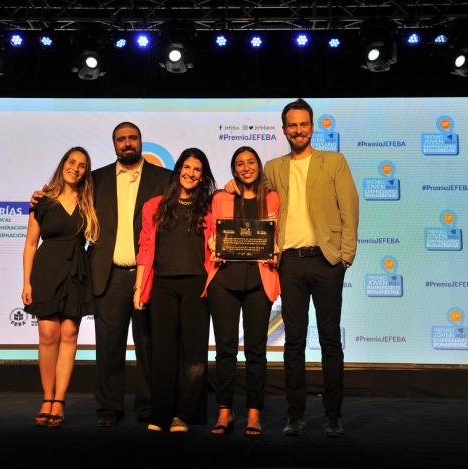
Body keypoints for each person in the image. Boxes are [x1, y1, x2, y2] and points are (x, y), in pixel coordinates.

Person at [226, 98, 359, 437]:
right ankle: (295, 415)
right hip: (289, 264)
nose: (298, 130)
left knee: (330, 340)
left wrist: (345, 257)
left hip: (327, 262)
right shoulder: (272, 167)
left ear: (312, 127)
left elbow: (350, 209)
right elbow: (254, 196)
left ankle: (333, 415)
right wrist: (233, 186)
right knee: (293, 342)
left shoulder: (335, 161)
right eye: (292, 125)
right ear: (284, 129)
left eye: (304, 124)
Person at [32, 122, 171, 427]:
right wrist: (38, 197)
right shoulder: (95, 180)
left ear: (141, 141)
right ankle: (109, 410)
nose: (127, 143)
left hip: (148, 276)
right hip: (109, 276)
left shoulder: (165, 179)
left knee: (148, 347)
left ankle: (147, 408)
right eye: (121, 139)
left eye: (132, 138)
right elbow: (63, 197)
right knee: (108, 348)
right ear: (114, 144)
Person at [133, 148, 216, 433]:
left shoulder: (209, 207)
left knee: (193, 354)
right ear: (178, 169)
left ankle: (184, 415)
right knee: (163, 352)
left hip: (197, 286)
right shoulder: (153, 206)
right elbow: (145, 248)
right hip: (162, 286)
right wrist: (138, 286)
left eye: (197, 169)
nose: (191, 173)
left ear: (202, 176)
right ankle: (160, 415)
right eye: (187, 167)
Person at [202, 146, 280, 437]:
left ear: (259, 166)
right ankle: (225, 410)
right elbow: (211, 233)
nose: (246, 167)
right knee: (225, 351)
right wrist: (214, 247)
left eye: (251, 162)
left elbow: (278, 234)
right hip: (224, 280)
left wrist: (276, 252)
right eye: (239, 163)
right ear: (233, 170)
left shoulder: (273, 198)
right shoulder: (221, 197)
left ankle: (254, 412)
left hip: (259, 281)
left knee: (256, 352)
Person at [22, 147, 100, 428]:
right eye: (72, 162)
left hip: (77, 271)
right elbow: (31, 244)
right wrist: (26, 281)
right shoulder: (42, 201)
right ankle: (46, 398)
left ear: (85, 172)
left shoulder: (90, 201)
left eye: (82, 165)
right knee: (47, 333)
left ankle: (59, 401)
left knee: (69, 333)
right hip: (47, 269)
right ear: (63, 164)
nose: (76, 168)